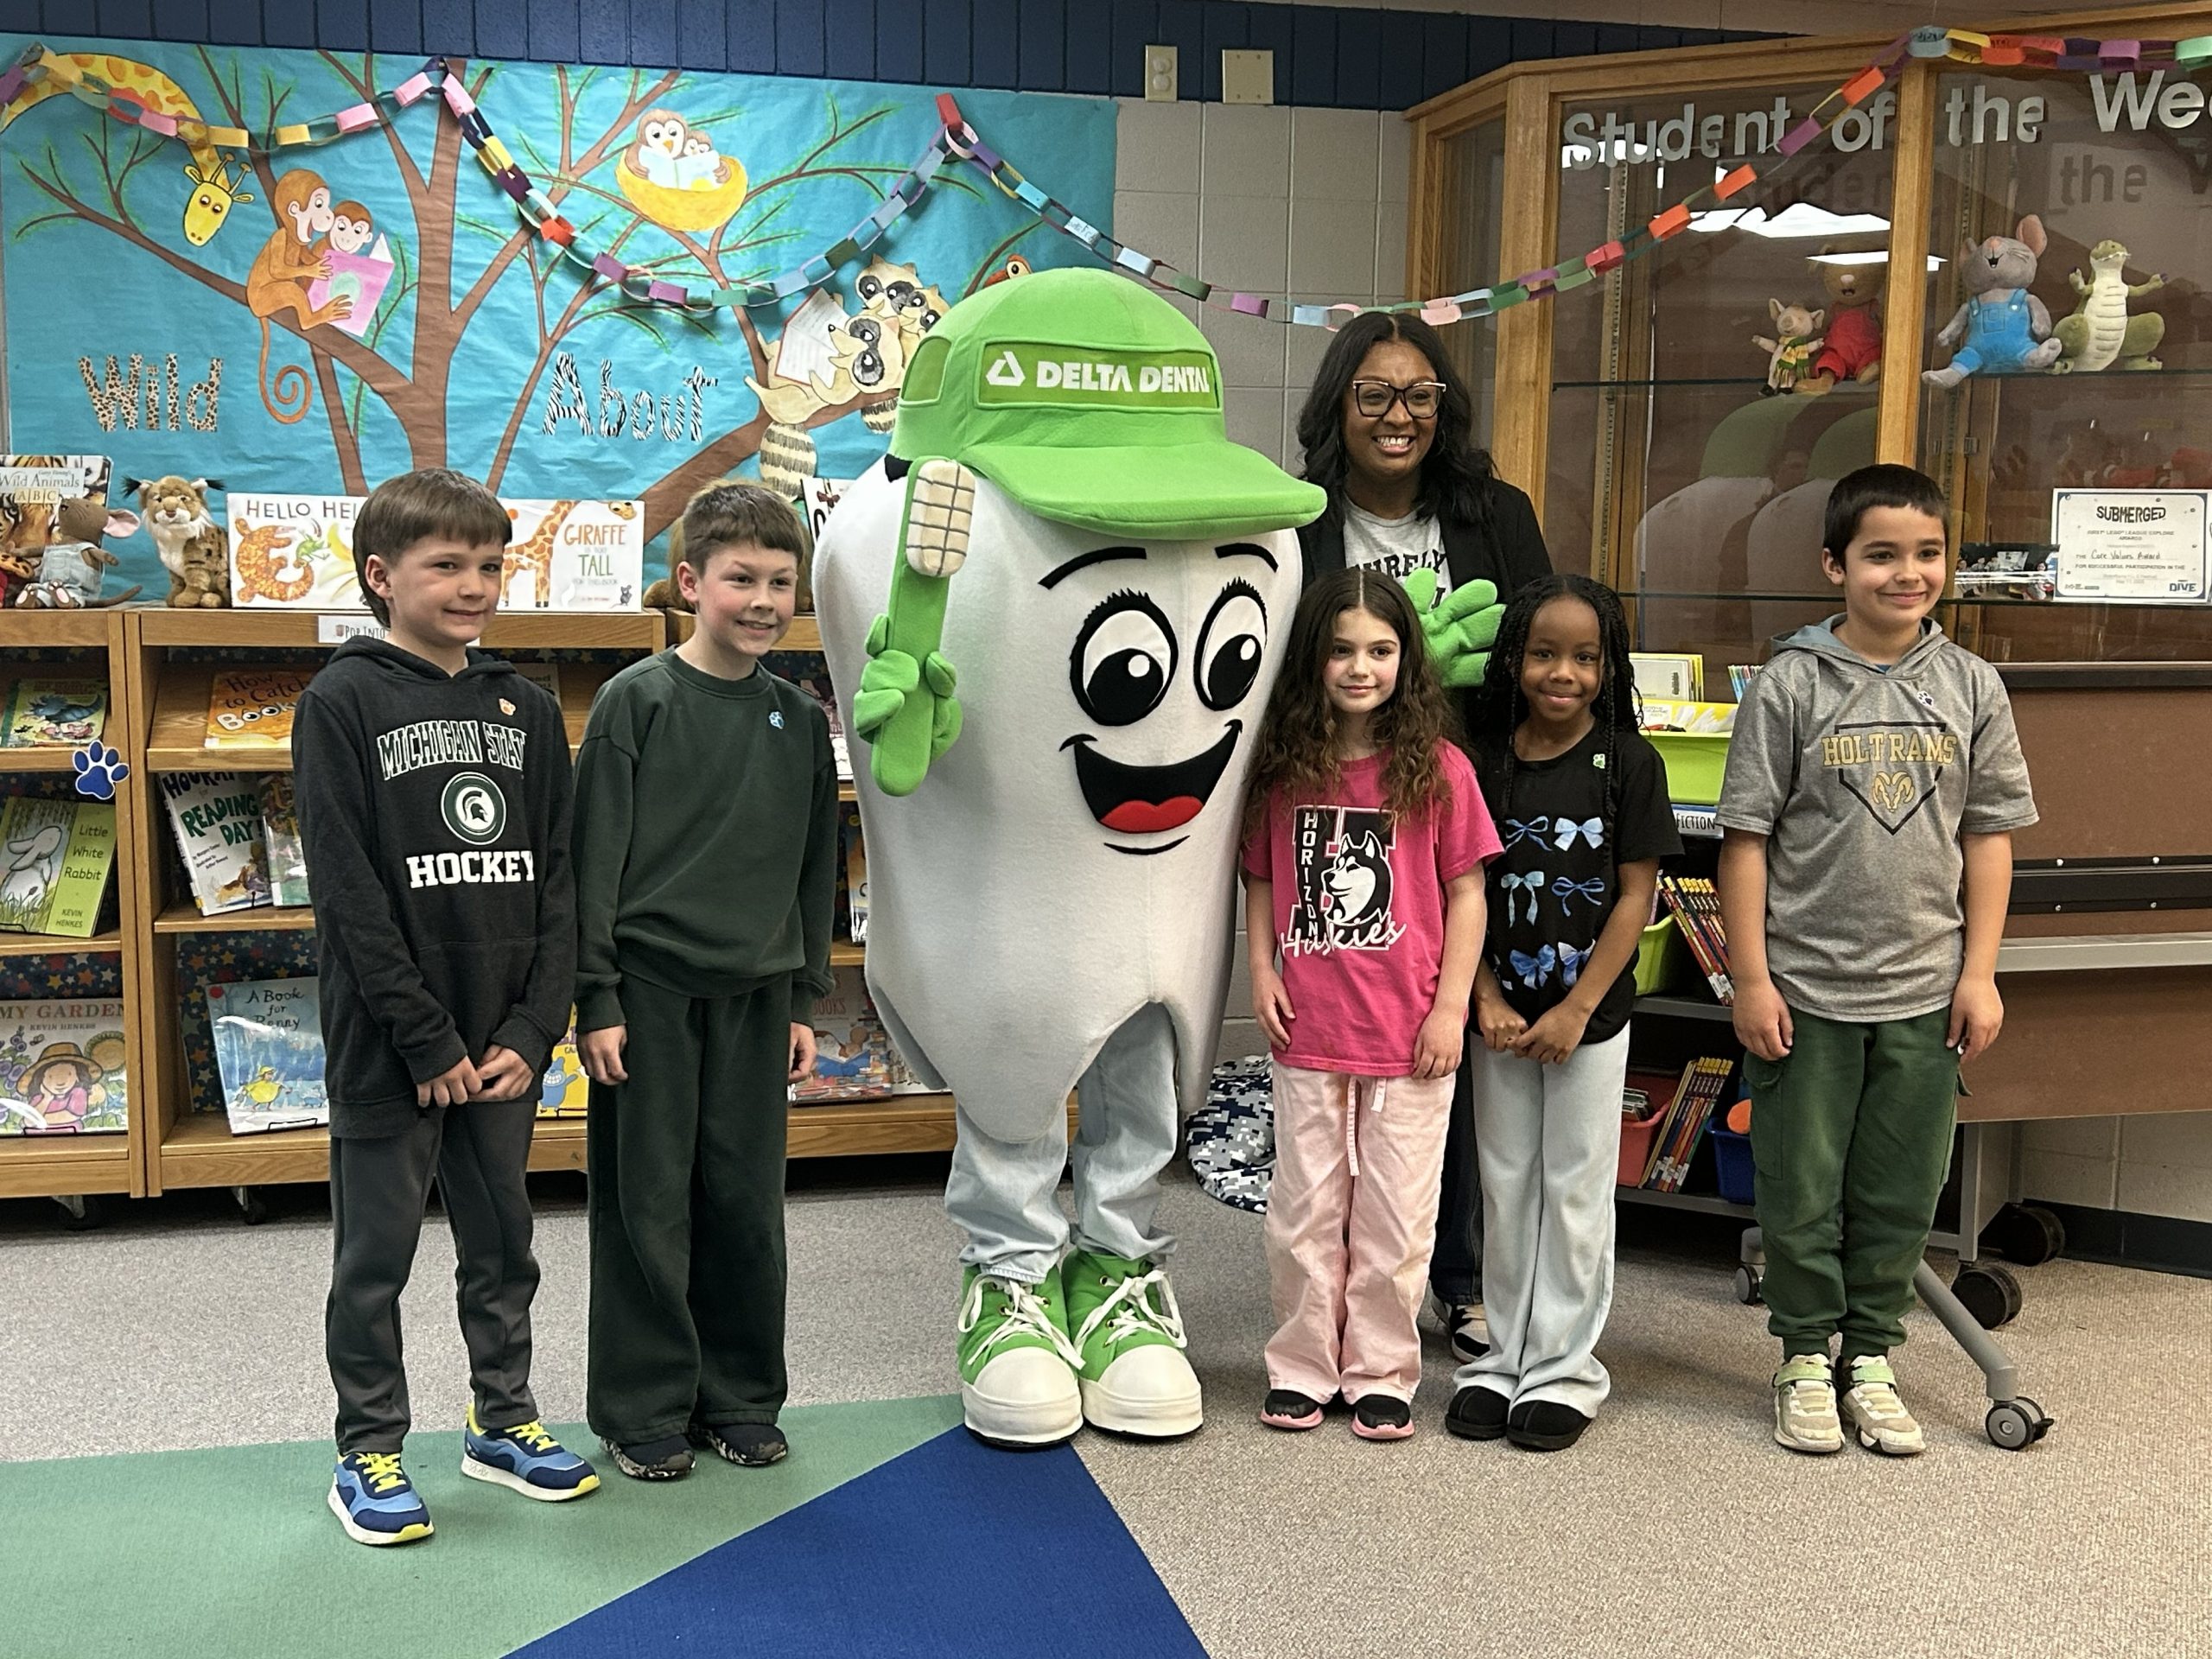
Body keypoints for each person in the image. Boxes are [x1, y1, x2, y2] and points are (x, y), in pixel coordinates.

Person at [296, 468, 594, 1548]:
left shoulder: (522, 702)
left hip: (501, 1044)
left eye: (489, 564)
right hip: (393, 1044)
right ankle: (366, 1444)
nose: (474, 585)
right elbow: (346, 889)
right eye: (447, 566)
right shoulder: (341, 701)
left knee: (502, 1239)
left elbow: (558, 876)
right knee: (374, 1254)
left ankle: (501, 1419)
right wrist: (421, 1036)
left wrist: (531, 1028)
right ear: (381, 576)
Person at [1718, 463, 2036, 1458]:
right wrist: (1752, 978)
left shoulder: (1970, 685)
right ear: (1834, 565)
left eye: (1928, 554)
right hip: (1804, 991)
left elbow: (1988, 835)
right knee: (1801, 1186)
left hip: (1924, 991)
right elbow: (1745, 841)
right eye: (1881, 555)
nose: (1908, 573)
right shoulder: (1790, 683)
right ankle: (1805, 1356)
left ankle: (1870, 1356)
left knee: (1900, 1190)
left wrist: (1978, 971)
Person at [1293, 310, 1556, 1367]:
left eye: (1418, 396)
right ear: (1336, 408)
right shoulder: (1297, 517)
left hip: (1463, 806)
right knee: (1354, 1058)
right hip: (1339, 803)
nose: (1397, 416)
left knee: (1447, 1044)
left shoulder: (1496, 512)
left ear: (1442, 407)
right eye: (1373, 395)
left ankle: (1457, 1278)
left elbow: (1542, 650)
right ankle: (1338, 1295)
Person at [573, 481, 837, 1481]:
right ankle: (643, 1403)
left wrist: (805, 993)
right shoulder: (634, 703)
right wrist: (594, 996)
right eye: (741, 579)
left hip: (758, 999)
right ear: (690, 583)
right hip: (646, 996)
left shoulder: (798, 719)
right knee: (647, 1205)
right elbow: (592, 860)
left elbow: (817, 865)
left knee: (742, 1204)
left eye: (781, 581)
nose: (764, 599)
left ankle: (737, 1395)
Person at [1243, 568, 1498, 1440]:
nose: (1360, 667)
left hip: (1409, 1035)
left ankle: (1382, 1369)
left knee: (1396, 1213)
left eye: (1380, 650)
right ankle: (1303, 1365)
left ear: (1405, 659)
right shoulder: (1281, 768)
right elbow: (1261, 875)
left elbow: (1467, 894)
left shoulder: (1441, 771)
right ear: (1312, 659)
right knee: (1304, 1208)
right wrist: (1261, 968)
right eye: (1342, 650)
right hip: (1309, 1026)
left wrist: (1448, 1010)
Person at [1446, 575, 1679, 1452]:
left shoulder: (1628, 763)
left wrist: (1578, 1008)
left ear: (1608, 667)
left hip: (1590, 1019)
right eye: (1544, 652)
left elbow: (1634, 898)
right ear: (1514, 657)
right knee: (1504, 1188)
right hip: (1497, 1014)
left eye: (1585, 657)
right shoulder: (1481, 760)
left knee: (1574, 1190)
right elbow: (1457, 888)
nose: (1563, 672)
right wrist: (1485, 999)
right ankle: (1500, 1357)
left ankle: (1563, 1370)